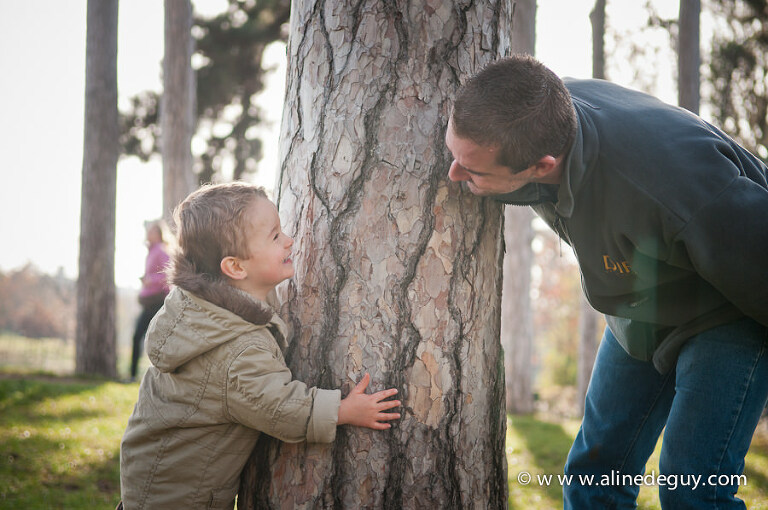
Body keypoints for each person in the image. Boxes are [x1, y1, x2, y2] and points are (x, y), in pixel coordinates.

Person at [446, 54, 768, 508]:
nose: (453, 174)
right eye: (454, 152)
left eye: (472, 170)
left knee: (693, 489)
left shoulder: (674, 180)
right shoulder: (533, 108)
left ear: (542, 166)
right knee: (594, 474)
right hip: (638, 301)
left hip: (730, 305)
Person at [118, 182, 401, 509]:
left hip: (152, 482)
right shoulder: (236, 349)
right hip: (178, 498)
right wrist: (344, 410)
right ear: (235, 267)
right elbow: (279, 407)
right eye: (275, 236)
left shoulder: (204, 308)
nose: (290, 240)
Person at [129, 220, 171, 382]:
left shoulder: (161, 250)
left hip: (157, 303)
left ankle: (160, 378)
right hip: (148, 303)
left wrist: (149, 280)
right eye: (149, 230)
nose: (149, 233)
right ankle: (133, 375)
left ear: (159, 234)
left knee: (156, 340)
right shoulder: (151, 251)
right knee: (139, 336)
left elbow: (168, 273)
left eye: (153, 230)